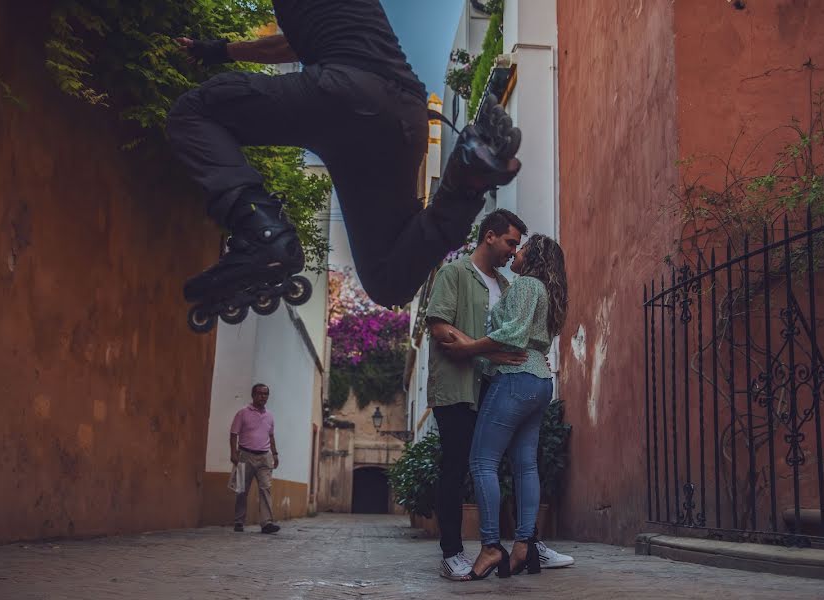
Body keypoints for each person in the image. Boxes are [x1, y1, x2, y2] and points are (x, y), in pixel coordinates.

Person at [167, 0, 522, 329]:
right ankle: (464, 183)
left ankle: (260, 229)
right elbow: (291, 44)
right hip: (405, 116)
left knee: (192, 112)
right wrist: (219, 50)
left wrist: (214, 51)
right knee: (387, 279)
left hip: (340, 94)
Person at [427, 213, 572, 580]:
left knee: (500, 463)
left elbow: (515, 333)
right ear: (489, 237)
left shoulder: (514, 284)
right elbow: (440, 327)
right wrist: (481, 352)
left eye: (520, 246)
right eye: (510, 242)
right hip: (462, 387)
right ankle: (453, 551)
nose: (513, 251)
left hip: (502, 383)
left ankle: (515, 544)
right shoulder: (454, 273)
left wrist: (479, 351)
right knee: (459, 465)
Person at [230, 383, 280, 534]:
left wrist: (275, 454)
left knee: (266, 488)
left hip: (264, 457)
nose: (262, 397)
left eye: (265, 394)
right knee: (241, 489)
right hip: (245, 455)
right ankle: (239, 521)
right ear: (253, 395)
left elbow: (271, 436)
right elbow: (233, 434)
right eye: (259, 393)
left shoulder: (270, 416)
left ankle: (266, 523)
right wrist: (233, 453)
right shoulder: (242, 413)